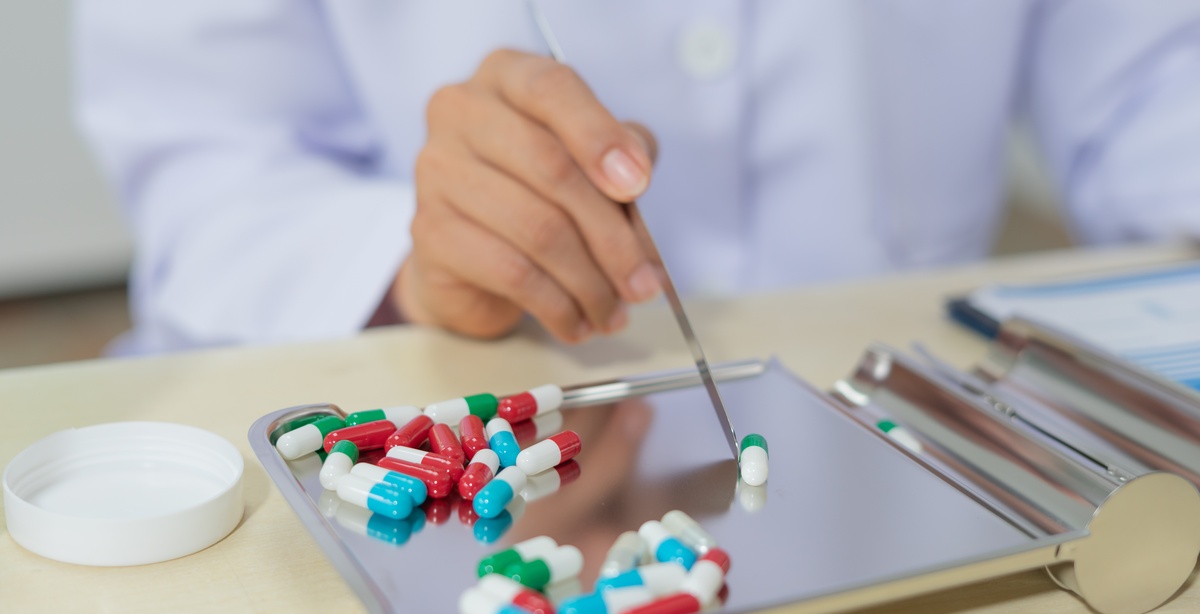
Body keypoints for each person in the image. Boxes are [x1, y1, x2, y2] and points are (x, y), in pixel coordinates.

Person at [77, 2, 1200, 355]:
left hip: (906, 424)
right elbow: (208, 158)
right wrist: (415, 262)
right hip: (411, 413)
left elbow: (1149, 77)